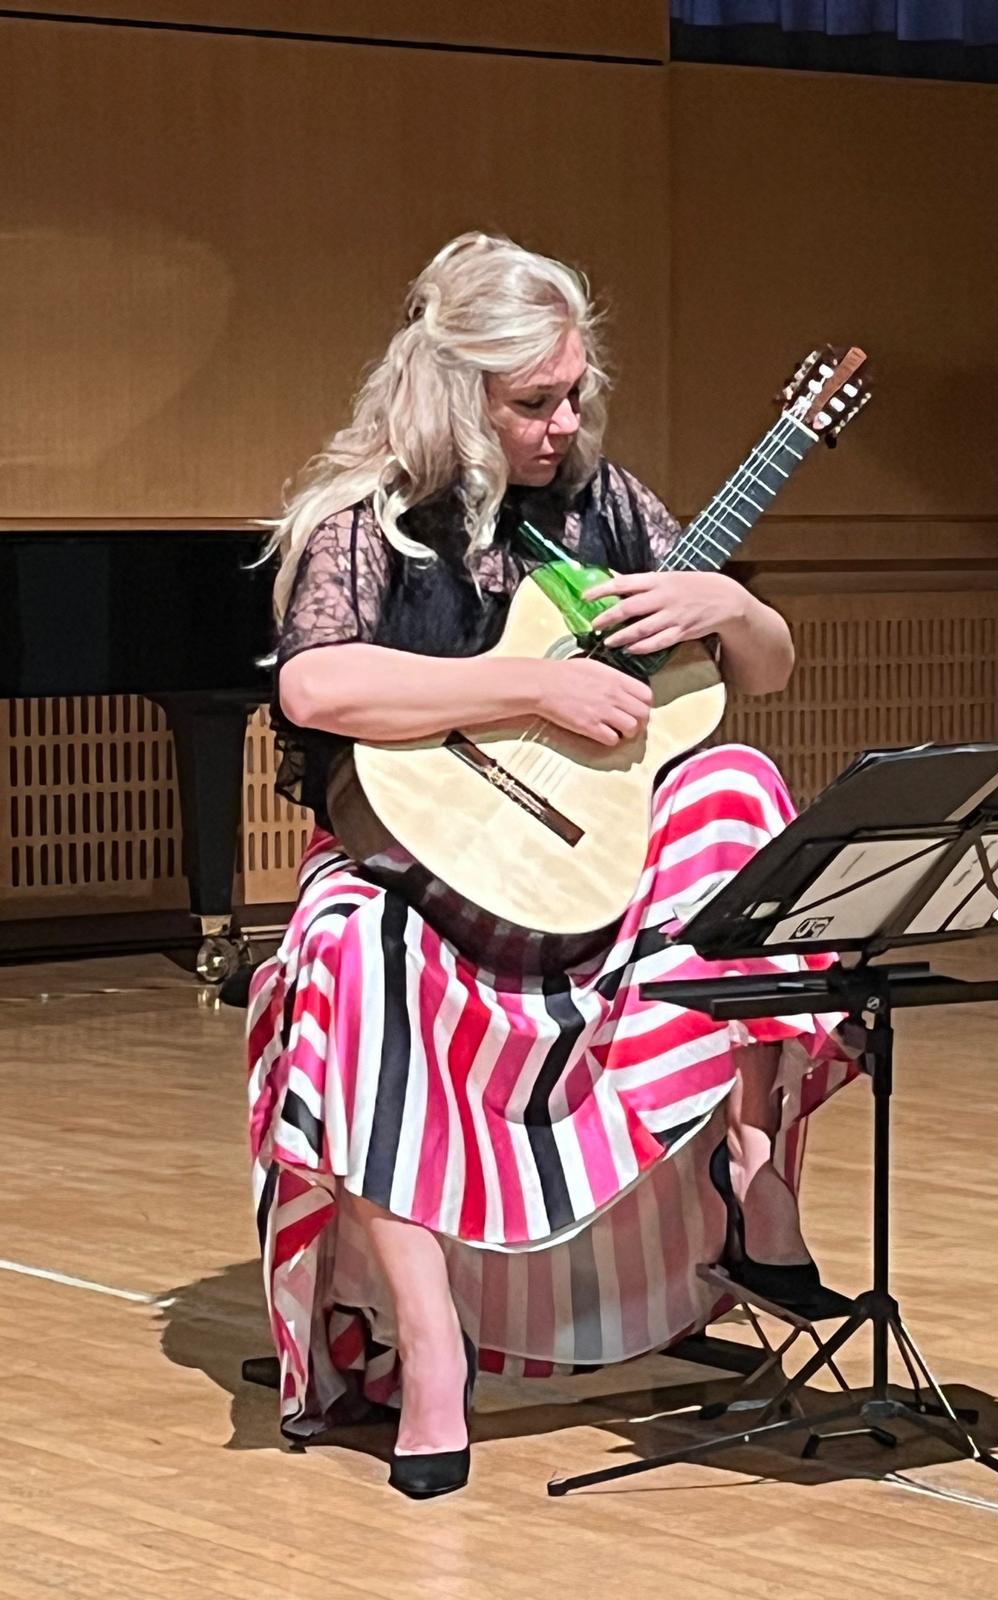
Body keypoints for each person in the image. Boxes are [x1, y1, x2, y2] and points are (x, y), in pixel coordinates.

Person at [248, 232, 860, 1500]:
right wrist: (532, 684)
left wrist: (734, 609)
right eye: (534, 402)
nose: (564, 422)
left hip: (586, 870)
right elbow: (315, 686)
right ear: (453, 392)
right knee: (346, 949)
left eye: (575, 393)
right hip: (412, 876)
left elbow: (765, 670)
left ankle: (754, 1165)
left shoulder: (605, 503)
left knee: (740, 788)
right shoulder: (366, 523)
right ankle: (431, 1346)